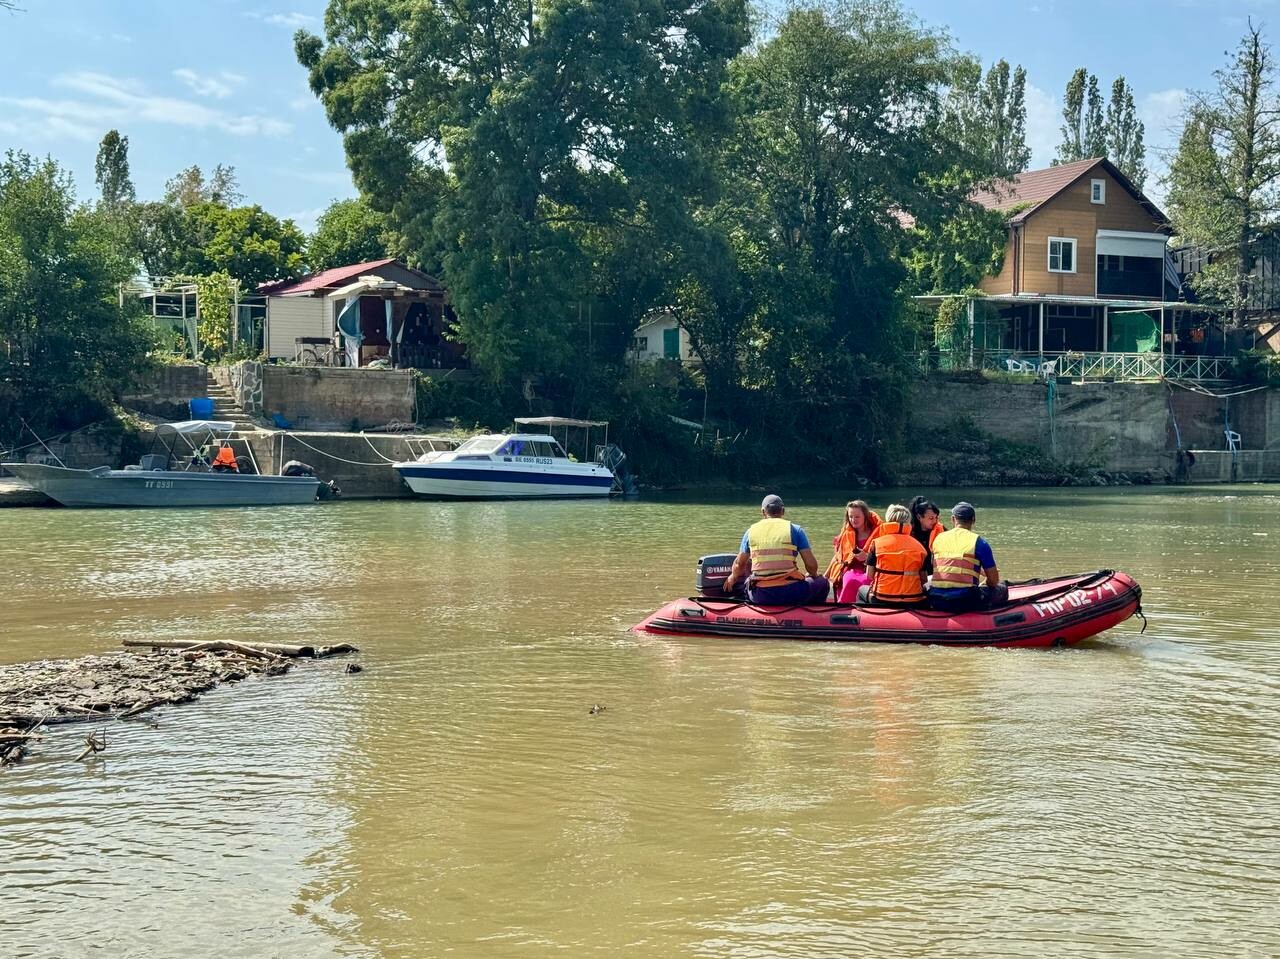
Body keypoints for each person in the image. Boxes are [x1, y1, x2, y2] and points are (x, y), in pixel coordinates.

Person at [723, 494, 829, 605]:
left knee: (746, 584)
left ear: (763, 512)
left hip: (760, 595)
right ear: (783, 511)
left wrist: (733, 577)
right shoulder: (795, 530)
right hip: (791, 593)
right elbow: (812, 566)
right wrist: (813, 574)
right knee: (822, 583)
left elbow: (739, 565)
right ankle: (809, 615)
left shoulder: (750, 532)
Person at [926, 502, 1008, 613]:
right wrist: (985, 583)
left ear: (953, 519)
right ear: (973, 520)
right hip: (965, 600)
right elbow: (993, 581)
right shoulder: (979, 543)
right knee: (1002, 588)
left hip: (936, 599)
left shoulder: (938, 539)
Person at [857, 504, 928, 607]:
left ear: (888, 519)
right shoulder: (920, 547)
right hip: (913, 599)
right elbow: (924, 579)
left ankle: (867, 619)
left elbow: (869, 575)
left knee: (861, 590)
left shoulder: (877, 544)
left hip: (881, 597)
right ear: (908, 521)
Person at [826, 500, 881, 603]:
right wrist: (826, 575)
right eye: (851, 516)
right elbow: (838, 557)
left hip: (870, 571)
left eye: (857, 517)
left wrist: (867, 557)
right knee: (849, 578)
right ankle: (844, 607)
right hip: (850, 569)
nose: (853, 520)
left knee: (864, 580)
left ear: (865, 516)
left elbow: (883, 557)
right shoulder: (846, 533)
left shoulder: (877, 533)